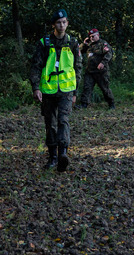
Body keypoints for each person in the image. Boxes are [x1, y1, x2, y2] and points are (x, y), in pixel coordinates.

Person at [29, 9, 82, 171]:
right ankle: (52, 156)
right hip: (48, 91)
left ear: (67, 23)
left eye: (64, 22)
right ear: (54, 24)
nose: (62, 25)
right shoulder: (44, 43)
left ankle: (62, 154)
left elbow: (77, 68)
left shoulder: (72, 43)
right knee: (50, 124)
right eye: (59, 22)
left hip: (66, 90)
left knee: (63, 121)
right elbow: (35, 66)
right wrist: (36, 87)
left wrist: (75, 92)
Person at [78, 28, 115, 109]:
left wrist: (103, 62)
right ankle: (84, 104)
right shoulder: (89, 45)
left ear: (98, 35)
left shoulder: (103, 44)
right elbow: (79, 51)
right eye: (90, 37)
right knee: (87, 87)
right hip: (90, 71)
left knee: (105, 88)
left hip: (101, 71)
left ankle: (111, 104)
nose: (91, 38)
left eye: (93, 36)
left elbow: (109, 53)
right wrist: (84, 44)